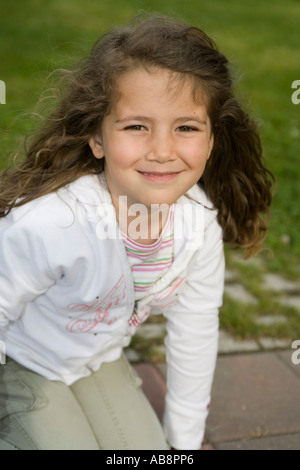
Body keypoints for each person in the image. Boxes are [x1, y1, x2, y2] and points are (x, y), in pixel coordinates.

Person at [0, 14, 274, 450]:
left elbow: (195, 329)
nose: (162, 151)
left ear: (211, 140)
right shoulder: (50, 223)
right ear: (97, 138)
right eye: (136, 126)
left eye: (185, 127)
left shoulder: (198, 224)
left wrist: (184, 443)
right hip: (20, 360)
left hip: (98, 358)